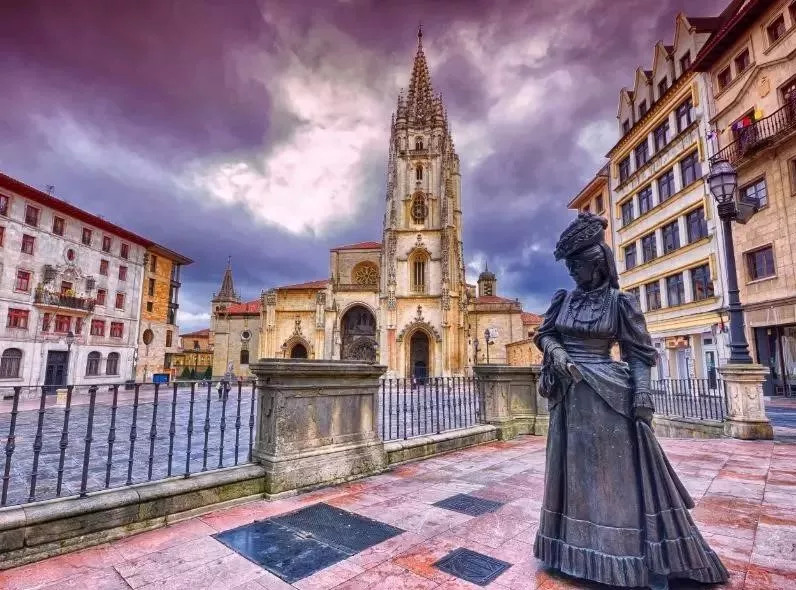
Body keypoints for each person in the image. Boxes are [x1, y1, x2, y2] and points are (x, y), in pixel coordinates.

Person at [533, 213, 728, 590]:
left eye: (577, 266)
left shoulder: (620, 302)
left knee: (612, 480)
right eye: (569, 267)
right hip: (568, 399)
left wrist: (642, 396)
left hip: (607, 398)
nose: (572, 273)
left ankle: (621, 556)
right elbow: (544, 334)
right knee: (572, 477)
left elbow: (639, 353)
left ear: (597, 265)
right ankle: (570, 552)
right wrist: (556, 352)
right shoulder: (564, 300)